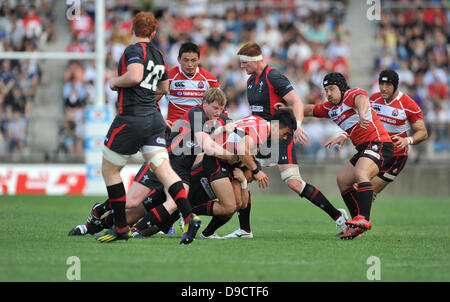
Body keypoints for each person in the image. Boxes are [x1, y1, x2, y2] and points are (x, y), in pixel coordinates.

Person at [91, 12, 198, 244]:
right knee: (167, 173)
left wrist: (113, 82)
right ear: (153, 32)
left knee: (110, 171)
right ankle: (189, 216)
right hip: (154, 118)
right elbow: (165, 86)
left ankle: (120, 227)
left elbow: (135, 75)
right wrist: (149, 97)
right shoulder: (159, 54)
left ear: (132, 30)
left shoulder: (133, 50)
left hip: (131, 118)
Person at [224, 42, 349, 238]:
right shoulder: (250, 81)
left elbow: (296, 102)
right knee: (244, 176)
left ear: (256, 61)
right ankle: (245, 229)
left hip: (279, 135)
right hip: (261, 136)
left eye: (244, 62)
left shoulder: (273, 76)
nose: (242, 66)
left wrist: (297, 126)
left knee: (293, 183)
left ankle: (338, 217)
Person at [303, 72, 394, 240]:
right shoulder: (330, 108)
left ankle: (364, 219)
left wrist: (361, 113)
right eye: (326, 90)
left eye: (332, 89)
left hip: (380, 143)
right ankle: (356, 225)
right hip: (364, 148)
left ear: (341, 88)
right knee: (343, 180)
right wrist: (285, 109)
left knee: (361, 173)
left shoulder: (351, 95)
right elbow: (308, 110)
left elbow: (362, 99)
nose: (328, 93)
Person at [324, 69, 427, 202]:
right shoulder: (373, 99)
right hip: (375, 148)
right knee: (354, 186)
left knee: (368, 191)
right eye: (381, 85)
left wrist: (408, 140)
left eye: (388, 85)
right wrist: (344, 135)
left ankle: (361, 220)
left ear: (395, 86)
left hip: (396, 155)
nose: (383, 89)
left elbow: (423, 132)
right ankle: (359, 220)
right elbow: (359, 121)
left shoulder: (408, 105)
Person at [164, 42, 219, 125]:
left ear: (199, 59)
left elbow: (218, 105)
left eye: (193, 60)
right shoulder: (168, 77)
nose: (190, 64)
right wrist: (161, 120)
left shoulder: (210, 79)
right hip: (175, 126)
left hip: (199, 125)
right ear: (179, 59)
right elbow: (153, 101)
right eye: (186, 60)